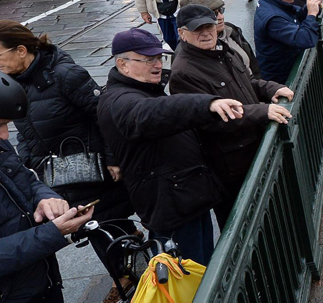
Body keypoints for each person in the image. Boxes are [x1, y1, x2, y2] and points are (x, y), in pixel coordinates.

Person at [96, 28, 244, 265]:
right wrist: (206, 104)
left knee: (203, 268)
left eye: (159, 58)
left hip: (187, 199)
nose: (157, 65)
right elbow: (151, 113)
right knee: (189, 276)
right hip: (172, 207)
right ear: (123, 64)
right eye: (148, 60)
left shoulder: (144, 89)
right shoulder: (119, 99)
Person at [0, 65, 95, 303]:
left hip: (41, 284)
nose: (4, 135)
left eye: (5, 125)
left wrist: (45, 197)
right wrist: (51, 234)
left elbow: (26, 179)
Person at [0, 20, 132, 222]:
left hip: (90, 172)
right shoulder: (14, 83)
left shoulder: (65, 75)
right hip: (55, 176)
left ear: (21, 50)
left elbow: (104, 116)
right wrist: (28, 162)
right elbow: (25, 131)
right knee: (90, 227)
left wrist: (113, 159)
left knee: (107, 225)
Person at [169, 5, 294, 227]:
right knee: (247, 223)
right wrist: (262, 111)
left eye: (209, 27)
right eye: (197, 29)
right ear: (182, 33)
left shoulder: (223, 51)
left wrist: (270, 88)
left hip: (253, 150)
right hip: (232, 166)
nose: (206, 33)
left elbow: (246, 82)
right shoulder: (184, 72)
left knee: (272, 215)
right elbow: (213, 119)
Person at [253, 0, 323, 84]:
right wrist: (311, 14)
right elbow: (305, 39)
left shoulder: (273, 3)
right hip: (282, 79)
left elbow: (296, 15)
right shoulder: (274, 18)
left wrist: (311, 5)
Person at [180, 0, 262, 79]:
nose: (221, 17)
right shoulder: (188, 57)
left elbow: (253, 65)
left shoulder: (231, 30)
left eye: (221, 10)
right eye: (214, 14)